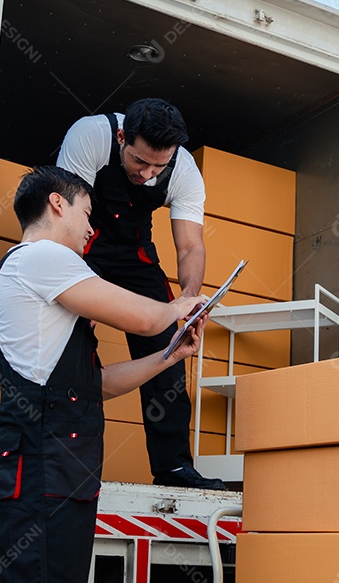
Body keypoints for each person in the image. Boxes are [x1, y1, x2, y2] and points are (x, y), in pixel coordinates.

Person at [0, 165, 208, 583]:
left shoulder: (44, 278)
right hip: (39, 474)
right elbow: (146, 316)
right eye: (86, 212)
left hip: (49, 476)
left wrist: (170, 356)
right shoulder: (41, 257)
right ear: (56, 204)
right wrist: (181, 304)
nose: (91, 228)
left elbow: (95, 385)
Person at [57, 98, 223, 489]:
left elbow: (190, 247)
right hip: (83, 246)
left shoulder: (184, 170)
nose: (148, 173)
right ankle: (64, 460)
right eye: (139, 161)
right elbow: (64, 223)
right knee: (72, 346)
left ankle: (174, 469)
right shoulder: (90, 136)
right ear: (120, 138)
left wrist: (189, 301)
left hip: (135, 254)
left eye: (158, 166)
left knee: (168, 346)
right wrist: (78, 292)